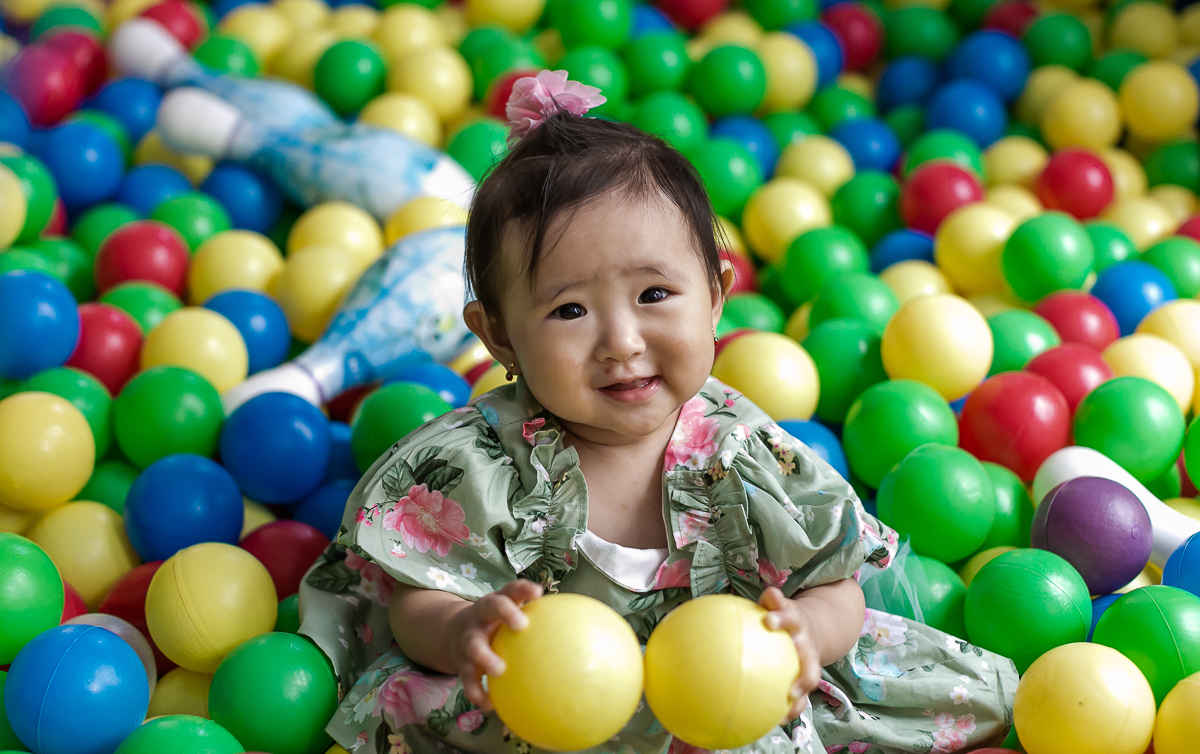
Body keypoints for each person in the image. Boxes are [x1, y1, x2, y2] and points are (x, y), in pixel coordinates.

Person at [298, 70, 1018, 754]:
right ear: (498, 337)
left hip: (723, 698)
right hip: (540, 710)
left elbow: (835, 582)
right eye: (570, 310)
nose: (622, 342)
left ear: (715, 295)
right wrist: (463, 632)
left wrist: (806, 634)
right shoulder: (478, 468)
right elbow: (417, 599)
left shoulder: (747, 453)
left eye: (654, 296)